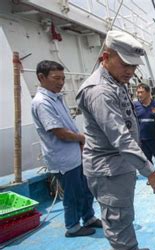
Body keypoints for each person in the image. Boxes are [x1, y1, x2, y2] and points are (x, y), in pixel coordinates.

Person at [76, 30, 155, 250]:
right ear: (105, 57)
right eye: (125, 64)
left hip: (120, 165)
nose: (130, 70)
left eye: (133, 65)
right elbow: (121, 138)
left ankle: (129, 249)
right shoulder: (100, 91)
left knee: (124, 212)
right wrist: (151, 173)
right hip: (107, 167)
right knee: (116, 215)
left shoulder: (115, 83)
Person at [31, 60, 102, 238]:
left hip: (75, 156)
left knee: (85, 189)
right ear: (41, 77)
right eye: (56, 78)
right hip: (63, 159)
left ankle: (88, 217)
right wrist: (82, 138)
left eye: (63, 78)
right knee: (72, 194)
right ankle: (72, 226)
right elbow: (58, 132)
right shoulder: (42, 102)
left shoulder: (56, 98)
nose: (61, 82)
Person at [134, 82, 155, 179]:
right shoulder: (135, 105)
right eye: (138, 92)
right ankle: (152, 178)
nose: (139, 94)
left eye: (141, 92)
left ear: (148, 92)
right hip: (142, 139)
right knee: (147, 161)